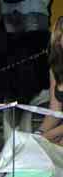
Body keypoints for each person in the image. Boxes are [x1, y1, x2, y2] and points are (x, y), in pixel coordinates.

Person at [35, 16, 63, 144]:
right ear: (58, 40)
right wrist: (38, 133)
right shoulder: (55, 68)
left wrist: (47, 137)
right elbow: (54, 113)